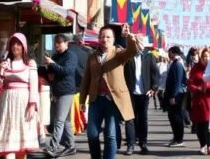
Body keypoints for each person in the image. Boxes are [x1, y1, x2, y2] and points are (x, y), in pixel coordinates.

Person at [80, 25, 143, 159]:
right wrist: (82, 101)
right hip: (96, 100)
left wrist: (129, 38)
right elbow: (86, 79)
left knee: (110, 135)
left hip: (113, 100)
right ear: (98, 39)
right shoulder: (92, 57)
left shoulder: (119, 53)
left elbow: (131, 51)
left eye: (108, 37)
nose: (105, 39)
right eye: (102, 37)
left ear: (114, 39)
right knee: (92, 134)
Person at [0, 33, 40, 158]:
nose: (15, 47)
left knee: (22, 145)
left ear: (24, 47)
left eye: (18, 44)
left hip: (23, 103)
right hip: (6, 104)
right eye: (13, 44)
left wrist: (32, 105)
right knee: (9, 143)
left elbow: (33, 85)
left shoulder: (30, 63)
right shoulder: (5, 63)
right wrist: (0, 70)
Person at [45, 33, 79, 157]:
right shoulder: (55, 56)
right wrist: (49, 65)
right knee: (65, 121)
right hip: (56, 91)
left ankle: (53, 147)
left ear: (66, 43)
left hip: (66, 91)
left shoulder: (71, 56)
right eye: (56, 43)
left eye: (60, 43)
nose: (57, 45)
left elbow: (66, 71)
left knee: (59, 121)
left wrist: (53, 64)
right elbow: (51, 74)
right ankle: (71, 146)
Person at [123, 43, 160, 155]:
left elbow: (155, 73)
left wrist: (154, 88)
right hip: (130, 93)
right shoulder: (127, 56)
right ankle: (130, 145)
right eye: (135, 43)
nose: (138, 46)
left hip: (144, 94)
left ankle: (143, 143)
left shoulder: (148, 56)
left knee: (143, 119)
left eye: (140, 43)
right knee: (130, 119)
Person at [189, 47, 210, 155]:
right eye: (204, 57)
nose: (206, 59)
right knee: (200, 124)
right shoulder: (195, 68)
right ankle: (203, 145)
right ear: (200, 58)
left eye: (209, 56)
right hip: (198, 100)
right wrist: (197, 88)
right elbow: (190, 83)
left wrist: (209, 85)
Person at [165, 46, 189, 147]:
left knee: (177, 116)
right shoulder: (174, 63)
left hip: (177, 94)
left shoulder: (178, 64)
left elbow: (177, 82)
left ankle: (179, 139)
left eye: (169, 52)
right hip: (173, 93)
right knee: (172, 116)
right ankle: (176, 137)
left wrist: (173, 96)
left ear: (173, 52)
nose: (168, 54)